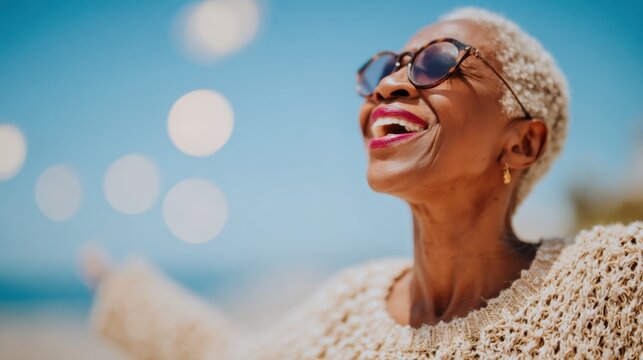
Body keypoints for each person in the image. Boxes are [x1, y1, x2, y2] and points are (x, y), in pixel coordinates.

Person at [84, 7, 642, 359]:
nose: (392, 85)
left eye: (438, 63)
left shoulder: (613, 280)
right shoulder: (346, 310)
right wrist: (127, 292)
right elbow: (233, 353)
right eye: (386, 69)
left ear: (522, 143)